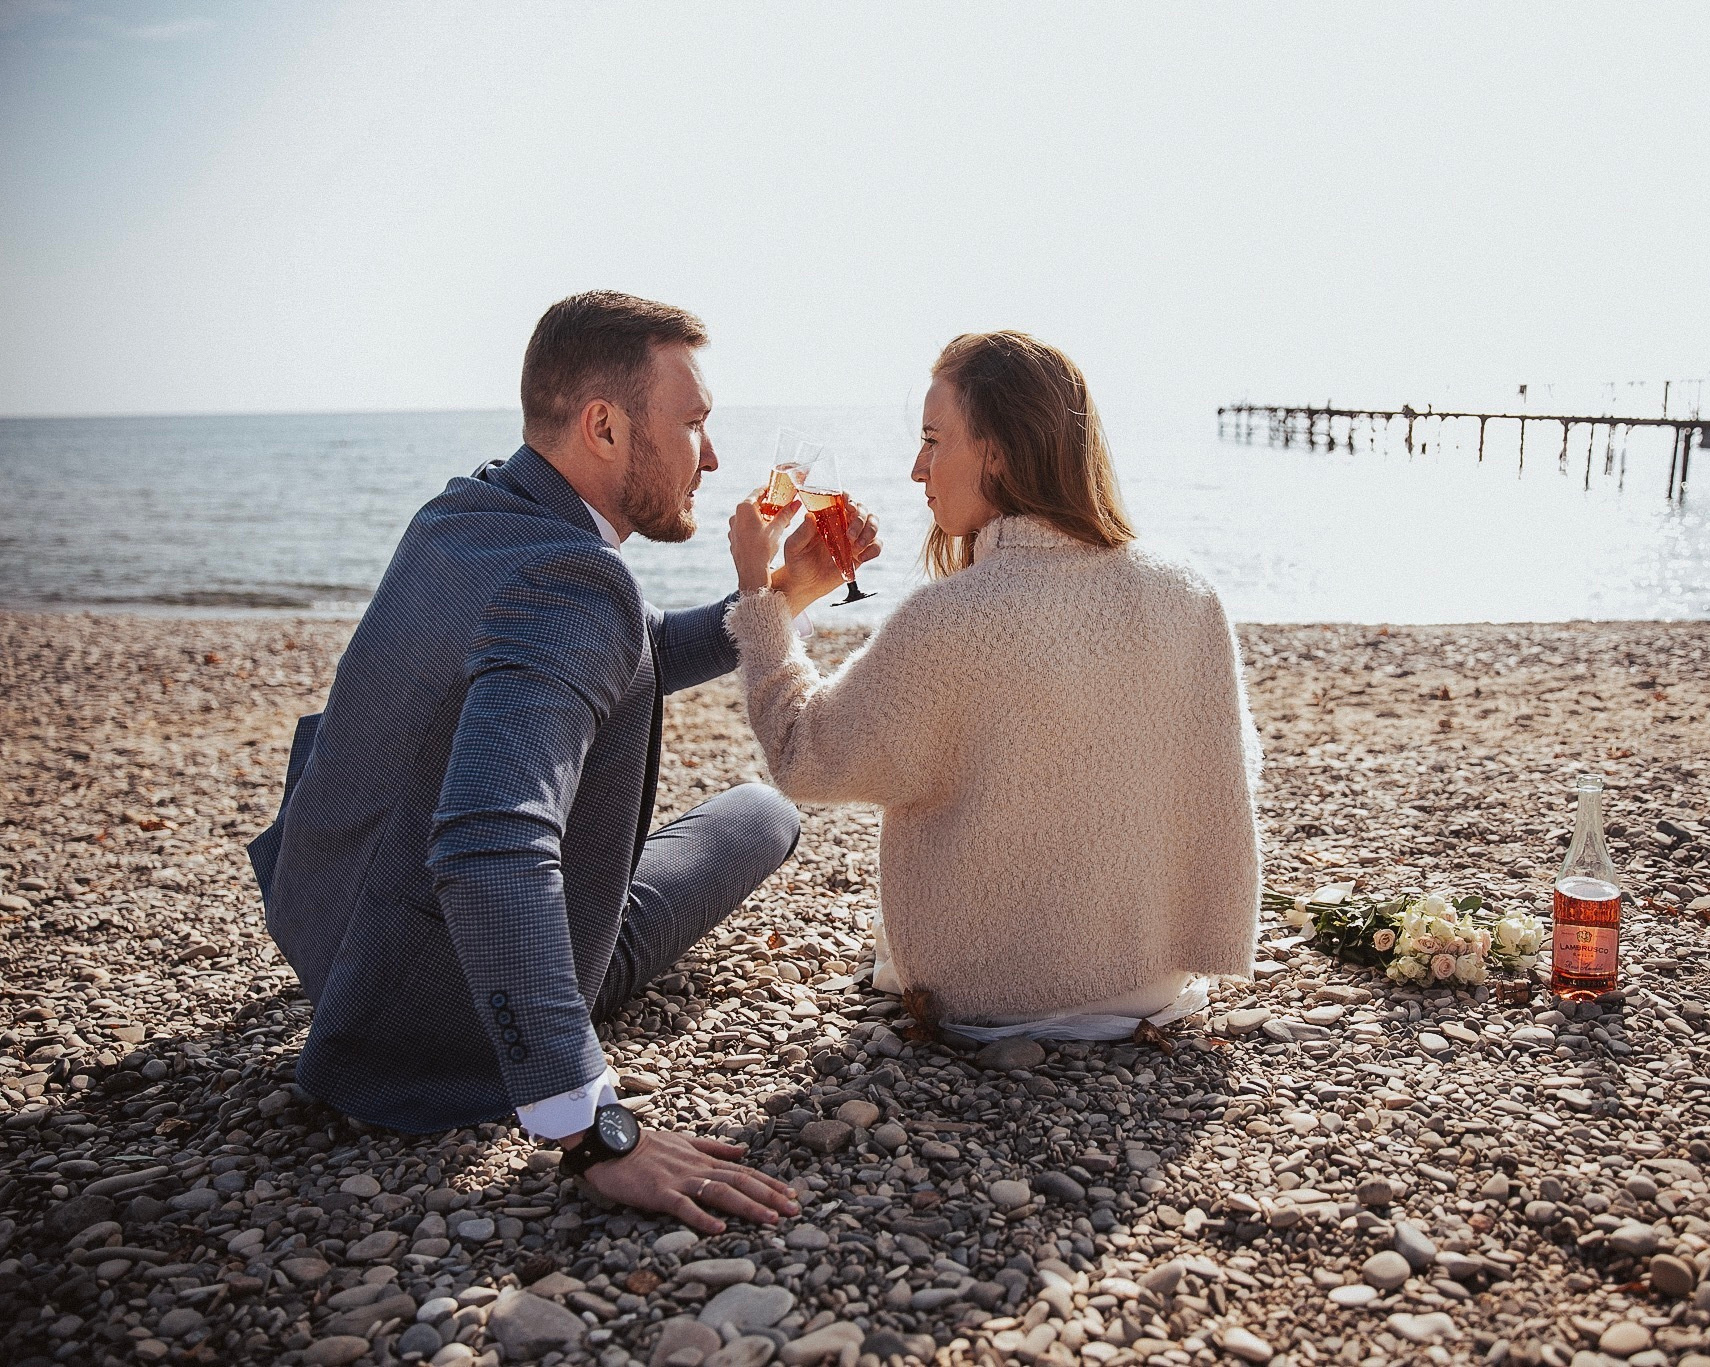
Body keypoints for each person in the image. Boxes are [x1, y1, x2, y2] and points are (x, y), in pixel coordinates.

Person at [249, 291, 875, 1231]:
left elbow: (634, 650)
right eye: (694, 424)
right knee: (764, 812)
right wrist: (589, 1126)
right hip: (438, 1013)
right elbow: (488, 844)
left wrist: (782, 594)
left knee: (742, 811)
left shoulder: (467, 513)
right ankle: (547, 1024)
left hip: (335, 933)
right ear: (604, 425)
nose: (711, 456)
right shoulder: (576, 581)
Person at [723, 331, 1260, 1040]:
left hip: (989, 991)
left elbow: (803, 755)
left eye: (932, 439)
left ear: (999, 451)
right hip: (1151, 979)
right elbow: (1223, 772)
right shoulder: (1188, 590)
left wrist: (763, 595)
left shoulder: (951, 619)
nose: (917, 468)